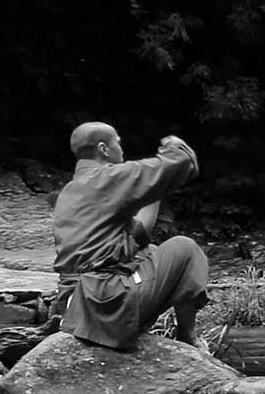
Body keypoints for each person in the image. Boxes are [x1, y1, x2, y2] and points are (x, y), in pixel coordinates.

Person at [51, 121, 210, 350]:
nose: (121, 148)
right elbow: (178, 162)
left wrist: (153, 190)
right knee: (186, 248)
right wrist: (172, 145)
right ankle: (188, 337)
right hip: (104, 301)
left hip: (72, 300)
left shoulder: (71, 190)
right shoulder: (108, 178)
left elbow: (137, 234)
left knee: (150, 251)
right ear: (104, 149)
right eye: (118, 142)